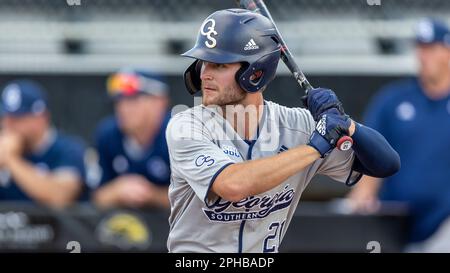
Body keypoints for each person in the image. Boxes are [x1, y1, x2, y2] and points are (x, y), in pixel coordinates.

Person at [165, 8, 400, 253]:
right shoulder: (186, 126)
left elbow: (386, 164)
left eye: (219, 65)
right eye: (203, 62)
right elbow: (233, 185)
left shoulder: (297, 126)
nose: (205, 74)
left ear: (255, 72)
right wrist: (315, 148)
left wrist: (345, 123)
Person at [347, 18, 450, 251]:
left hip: (444, 223)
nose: (424, 56)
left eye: (432, 49)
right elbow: (371, 153)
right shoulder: (393, 100)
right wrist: (362, 195)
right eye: (420, 49)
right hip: (394, 224)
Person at [0, 79, 87, 208]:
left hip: (55, 227)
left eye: (17, 119)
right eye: (4, 118)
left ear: (41, 118)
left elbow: (60, 196)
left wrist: (11, 161)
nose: (7, 126)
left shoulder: (68, 149)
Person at [92, 68, 171, 209]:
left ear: (159, 102)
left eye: (133, 99)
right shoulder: (108, 135)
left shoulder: (181, 136)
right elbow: (96, 198)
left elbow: (199, 202)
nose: (123, 108)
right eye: (118, 101)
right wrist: (117, 190)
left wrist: (152, 195)